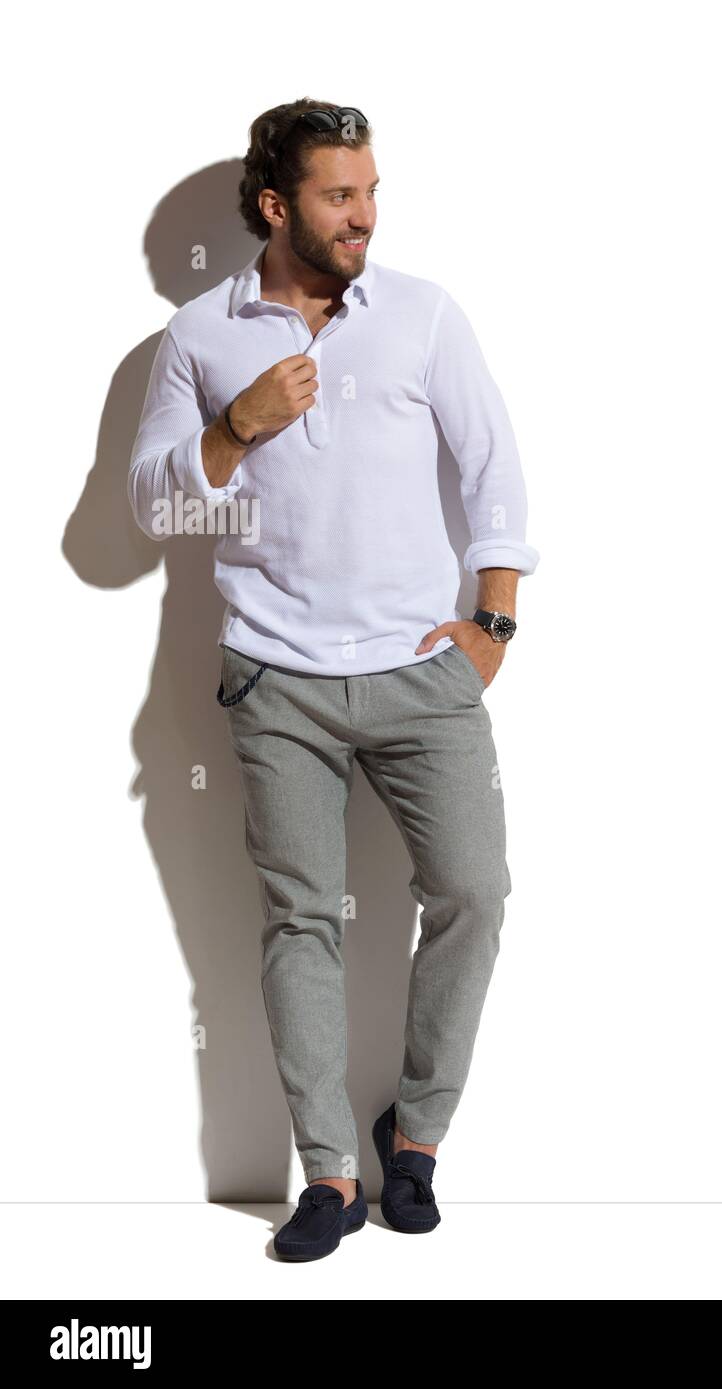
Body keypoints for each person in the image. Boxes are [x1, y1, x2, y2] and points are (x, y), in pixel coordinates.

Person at [127, 98, 539, 1261]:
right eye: (339, 196)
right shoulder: (200, 337)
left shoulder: (420, 317)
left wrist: (493, 623)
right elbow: (146, 508)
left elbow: (496, 468)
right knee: (301, 920)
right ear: (276, 206)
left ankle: (417, 1134)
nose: (364, 215)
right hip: (278, 681)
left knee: (476, 892)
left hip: (421, 670)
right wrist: (235, 429)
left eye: (369, 192)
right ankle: (330, 1175)